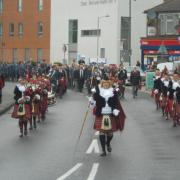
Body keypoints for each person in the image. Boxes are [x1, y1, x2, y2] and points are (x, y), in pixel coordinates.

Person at [90, 77, 126, 157]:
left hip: (110, 113)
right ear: (102, 84)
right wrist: (92, 101)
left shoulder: (113, 92)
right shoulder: (98, 91)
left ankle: (108, 143)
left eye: (107, 84)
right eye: (104, 84)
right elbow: (94, 101)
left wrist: (117, 92)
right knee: (102, 132)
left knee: (110, 133)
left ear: (109, 84)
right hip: (101, 114)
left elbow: (117, 100)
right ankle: (103, 150)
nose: (105, 85)